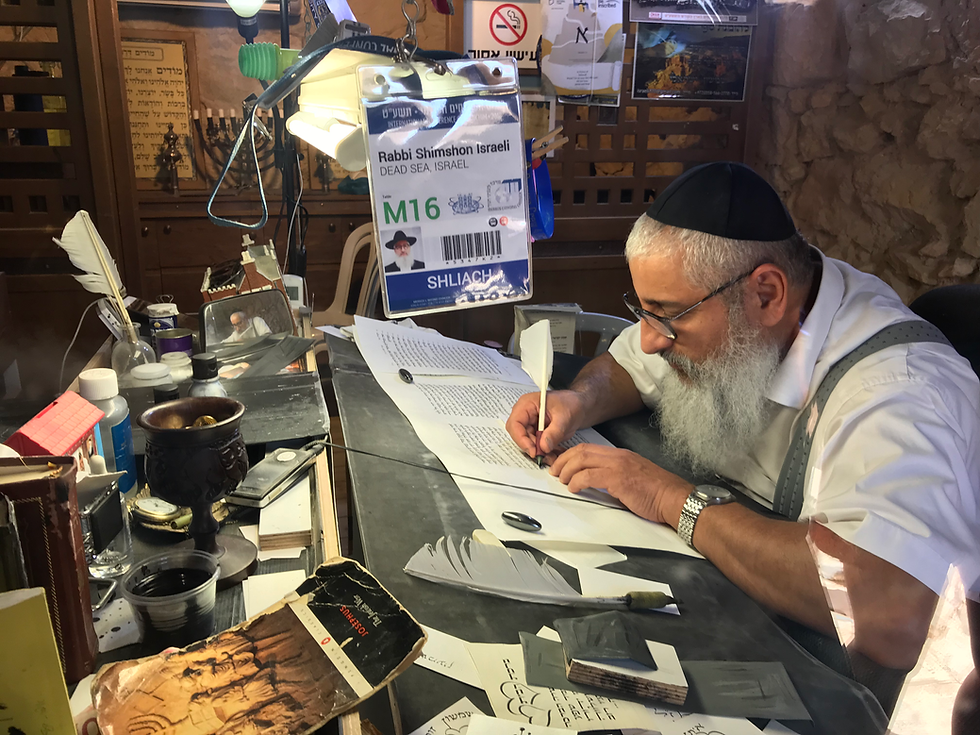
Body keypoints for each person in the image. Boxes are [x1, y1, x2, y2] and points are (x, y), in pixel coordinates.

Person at [505, 161, 980, 711]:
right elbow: (630, 363)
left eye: (667, 315)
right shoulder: (734, 308)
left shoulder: (900, 391)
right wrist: (577, 399)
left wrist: (673, 500)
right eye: (644, 309)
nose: (652, 339)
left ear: (767, 293)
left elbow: (890, 611)